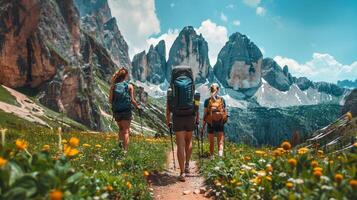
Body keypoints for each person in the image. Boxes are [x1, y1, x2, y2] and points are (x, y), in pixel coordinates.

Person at [166, 66, 199, 182]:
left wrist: (168, 120)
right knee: (189, 141)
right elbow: (196, 103)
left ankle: (181, 173)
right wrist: (197, 118)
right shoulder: (192, 86)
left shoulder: (171, 88)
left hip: (177, 116)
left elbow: (168, 107)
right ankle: (187, 164)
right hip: (190, 115)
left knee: (180, 144)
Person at [109, 67, 141, 152]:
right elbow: (132, 100)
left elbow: (110, 100)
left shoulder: (113, 86)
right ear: (126, 76)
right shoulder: (129, 86)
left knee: (120, 129)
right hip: (126, 111)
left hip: (117, 112)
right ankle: (125, 151)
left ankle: (120, 149)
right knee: (126, 131)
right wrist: (137, 107)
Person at [201, 83, 228, 158]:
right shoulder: (222, 100)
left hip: (210, 123)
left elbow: (205, 115)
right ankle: (220, 158)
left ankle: (212, 158)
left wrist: (202, 128)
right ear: (218, 90)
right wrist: (224, 121)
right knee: (220, 142)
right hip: (220, 123)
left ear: (210, 90)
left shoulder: (207, 101)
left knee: (211, 142)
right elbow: (225, 113)